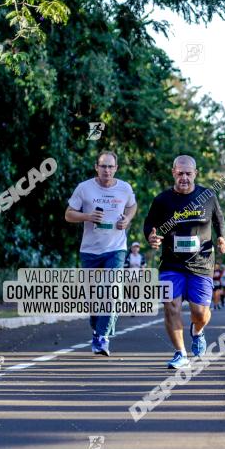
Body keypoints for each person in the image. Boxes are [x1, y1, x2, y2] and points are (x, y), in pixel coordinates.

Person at [143, 155, 225, 369]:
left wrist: (222, 237)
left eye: (188, 173)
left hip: (202, 263)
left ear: (195, 174)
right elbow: (149, 224)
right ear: (173, 173)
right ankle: (180, 353)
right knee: (171, 307)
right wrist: (150, 237)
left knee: (200, 313)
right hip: (172, 264)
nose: (184, 178)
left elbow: (219, 218)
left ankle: (197, 331)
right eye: (180, 173)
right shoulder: (162, 200)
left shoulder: (207, 195)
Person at [65, 151, 137, 356]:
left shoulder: (124, 188)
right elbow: (68, 214)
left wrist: (127, 220)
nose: (107, 170)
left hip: (116, 249)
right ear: (96, 167)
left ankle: (103, 337)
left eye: (110, 166)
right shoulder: (84, 188)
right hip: (90, 251)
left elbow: (133, 206)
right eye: (103, 166)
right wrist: (87, 216)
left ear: (116, 168)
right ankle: (98, 330)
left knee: (111, 291)